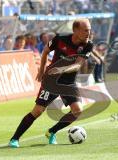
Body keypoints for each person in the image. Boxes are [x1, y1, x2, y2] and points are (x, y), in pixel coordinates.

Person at [9, 18, 100, 148]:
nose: (89, 32)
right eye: (86, 30)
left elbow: (77, 65)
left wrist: (61, 69)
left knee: (77, 110)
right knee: (38, 111)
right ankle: (14, 139)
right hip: (51, 81)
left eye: (90, 29)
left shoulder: (88, 45)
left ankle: (52, 131)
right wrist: (41, 71)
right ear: (75, 30)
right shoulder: (60, 39)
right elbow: (45, 51)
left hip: (68, 82)